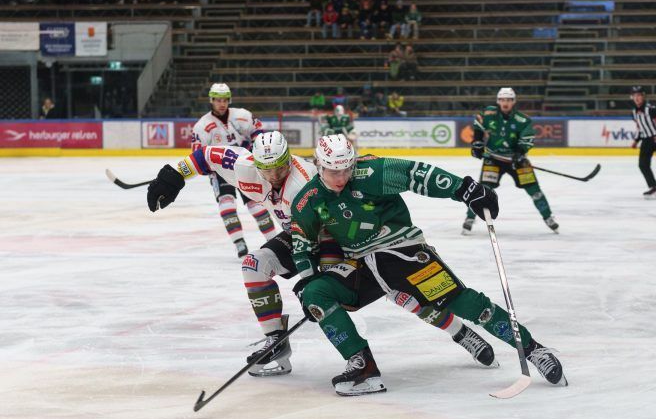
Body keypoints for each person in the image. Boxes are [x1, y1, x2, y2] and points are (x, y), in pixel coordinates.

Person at [146, 131, 498, 376]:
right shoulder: (244, 166)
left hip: (338, 237)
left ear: (289, 160)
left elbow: (331, 231)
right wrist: (171, 177)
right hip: (298, 234)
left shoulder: (305, 182)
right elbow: (204, 156)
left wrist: (319, 274)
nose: (273, 174)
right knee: (254, 266)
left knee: (398, 291)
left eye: (279, 166)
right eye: (266, 168)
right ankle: (275, 343)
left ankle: (459, 332)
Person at [290, 134, 567, 396]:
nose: (341, 178)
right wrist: (306, 280)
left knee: (464, 303)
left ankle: (533, 350)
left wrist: (465, 189)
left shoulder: (369, 171)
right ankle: (363, 367)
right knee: (316, 293)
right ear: (318, 165)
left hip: (403, 251)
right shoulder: (307, 200)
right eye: (332, 172)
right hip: (361, 266)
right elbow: (302, 242)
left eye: (345, 170)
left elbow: (416, 173)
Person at [191, 83, 277, 258]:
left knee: (256, 204)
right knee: (227, 203)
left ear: (229, 100)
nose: (221, 103)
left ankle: (274, 240)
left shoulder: (242, 116)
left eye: (224, 100)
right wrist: (209, 168)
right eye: (217, 100)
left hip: (245, 166)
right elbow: (198, 154)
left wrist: (255, 146)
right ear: (211, 100)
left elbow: (258, 132)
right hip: (221, 172)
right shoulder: (202, 126)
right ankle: (239, 243)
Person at [463, 87, 558, 235]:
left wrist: (520, 153)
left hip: (516, 160)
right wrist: (477, 143)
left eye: (508, 100)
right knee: (481, 190)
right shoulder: (489, 114)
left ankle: (548, 217)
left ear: (513, 101)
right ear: (498, 101)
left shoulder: (523, 120)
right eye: (502, 100)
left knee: (534, 189)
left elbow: (527, 139)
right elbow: (479, 125)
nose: (505, 102)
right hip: (493, 159)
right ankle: (469, 218)